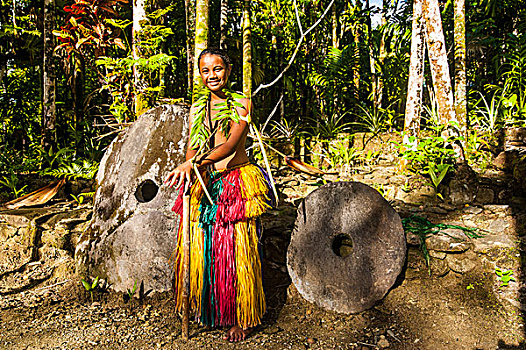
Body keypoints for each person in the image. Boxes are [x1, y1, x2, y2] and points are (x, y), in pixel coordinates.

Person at [165, 48, 275, 342]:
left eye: (217, 69)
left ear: (228, 70)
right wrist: (190, 168)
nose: (211, 75)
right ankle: (211, 310)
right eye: (205, 70)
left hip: (236, 181)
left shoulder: (241, 102)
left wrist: (194, 164)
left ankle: (244, 317)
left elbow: (228, 145)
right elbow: (193, 145)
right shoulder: (197, 107)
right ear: (199, 74)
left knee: (239, 252)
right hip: (206, 178)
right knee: (207, 249)